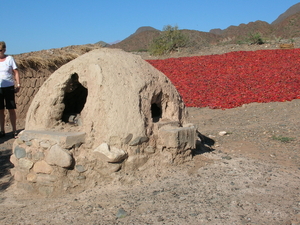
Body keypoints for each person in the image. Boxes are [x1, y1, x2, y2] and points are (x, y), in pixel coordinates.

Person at [0, 41, 20, 138]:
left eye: (0, 50)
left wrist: (18, 84)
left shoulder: (9, 59)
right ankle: (2, 130)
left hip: (9, 87)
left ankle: (14, 130)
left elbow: (16, 72)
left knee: (11, 109)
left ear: (4, 50)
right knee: (0, 110)